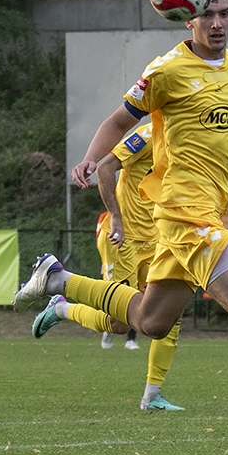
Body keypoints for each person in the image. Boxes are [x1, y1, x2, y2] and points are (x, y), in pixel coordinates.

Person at [14, 0, 228, 455]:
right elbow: (117, 124)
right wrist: (90, 158)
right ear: (187, 16)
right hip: (185, 214)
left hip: (204, 214)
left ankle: (58, 279)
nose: (219, 23)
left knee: (150, 321)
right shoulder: (166, 71)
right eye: (208, 15)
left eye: (225, 13)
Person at [33, 124, 185, 411]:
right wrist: (116, 216)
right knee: (119, 323)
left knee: (171, 315)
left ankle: (152, 395)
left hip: (161, 240)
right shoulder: (148, 134)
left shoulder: (188, 138)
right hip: (123, 239)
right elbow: (105, 168)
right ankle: (60, 308)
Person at [96, 211, 140, 351]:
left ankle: (131, 339)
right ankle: (108, 327)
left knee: (137, 298)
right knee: (114, 298)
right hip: (117, 260)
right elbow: (100, 240)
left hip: (138, 257)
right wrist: (104, 261)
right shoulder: (105, 218)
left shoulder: (141, 214)